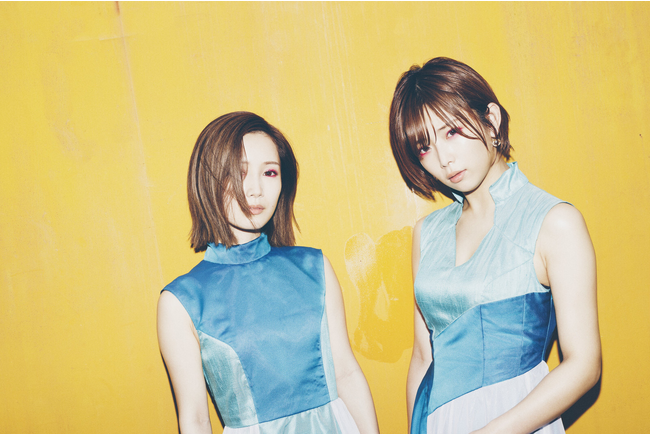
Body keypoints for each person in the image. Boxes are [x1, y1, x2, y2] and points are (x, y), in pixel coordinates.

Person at [389, 58, 601, 434]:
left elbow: (584, 365)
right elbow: (423, 356)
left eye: (452, 131)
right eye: (424, 147)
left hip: (518, 420)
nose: (443, 159)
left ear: (491, 119)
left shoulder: (554, 221)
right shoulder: (427, 233)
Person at [157, 112, 379, 434]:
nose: (256, 189)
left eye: (270, 172)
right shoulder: (182, 300)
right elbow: (195, 419)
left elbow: (346, 373)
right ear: (207, 180)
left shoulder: (314, 267)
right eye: (239, 173)